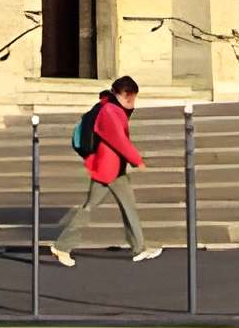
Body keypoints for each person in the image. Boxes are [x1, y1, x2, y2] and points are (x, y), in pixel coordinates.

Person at [51, 76, 163, 266]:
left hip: (112, 167)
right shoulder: (110, 111)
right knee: (93, 207)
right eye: (132, 98)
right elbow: (119, 140)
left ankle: (139, 248)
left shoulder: (109, 107)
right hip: (108, 170)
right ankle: (62, 246)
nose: (133, 103)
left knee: (127, 207)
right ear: (125, 95)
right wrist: (137, 160)